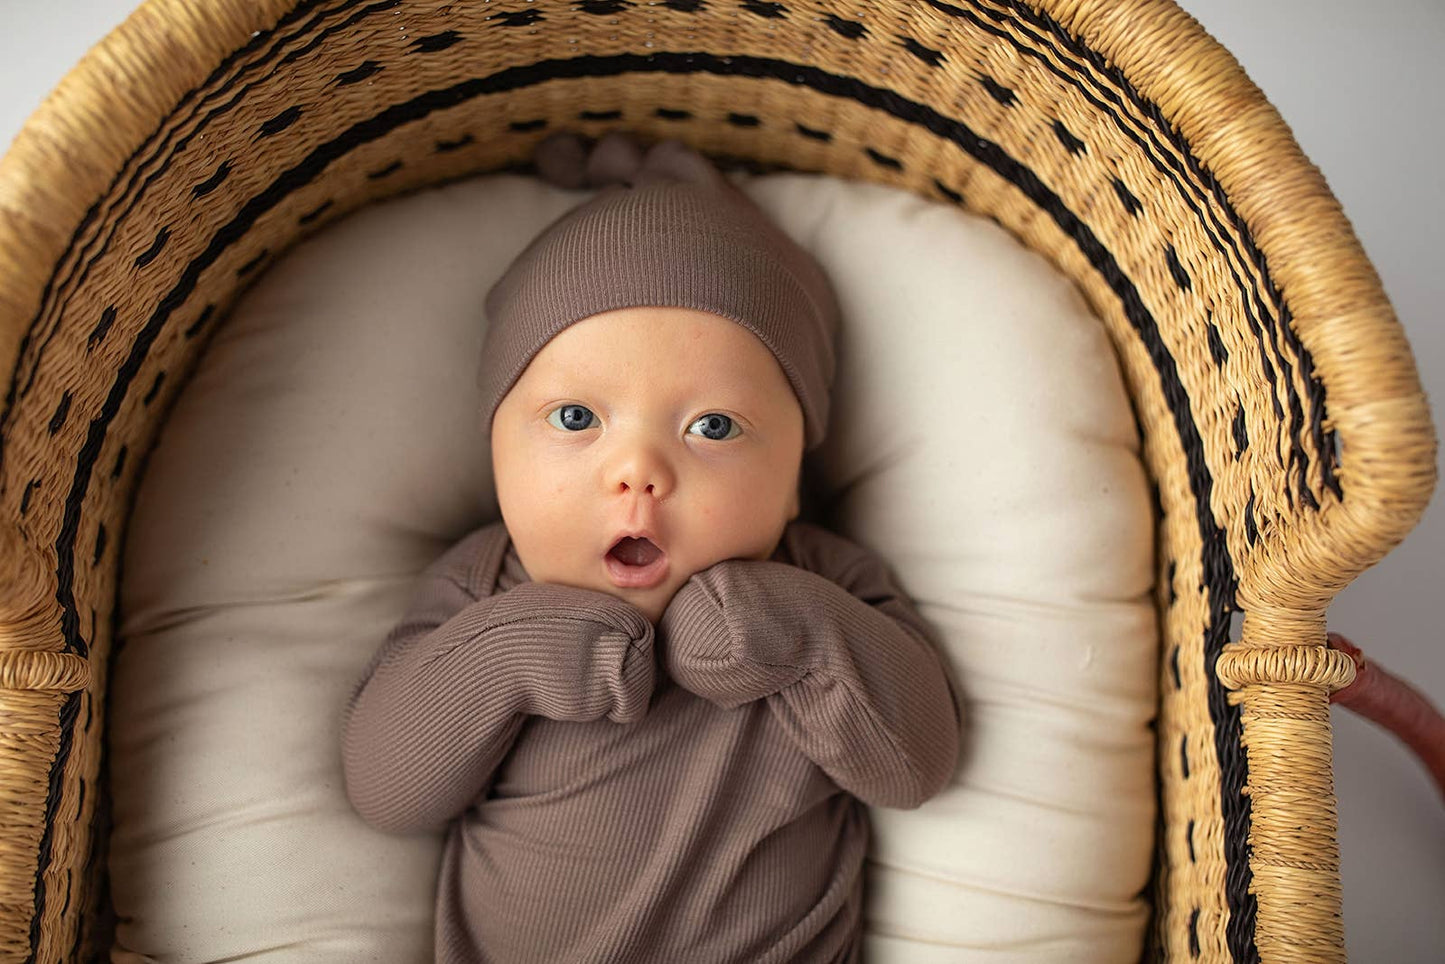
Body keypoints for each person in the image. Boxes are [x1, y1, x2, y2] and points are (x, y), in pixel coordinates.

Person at [340, 130, 965, 963]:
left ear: (790, 480)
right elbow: (387, 793)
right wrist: (508, 657)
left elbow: (914, 767)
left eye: (712, 427)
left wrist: (790, 629)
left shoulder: (827, 582)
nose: (637, 470)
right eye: (575, 420)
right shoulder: (483, 590)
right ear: (494, 452)